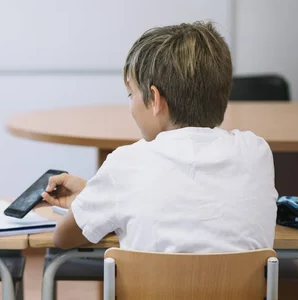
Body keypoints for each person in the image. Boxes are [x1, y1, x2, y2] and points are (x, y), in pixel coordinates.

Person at [42, 22, 278, 252]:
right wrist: (93, 195)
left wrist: (95, 200)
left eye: (130, 94)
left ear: (155, 99)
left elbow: (62, 238)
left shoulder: (126, 164)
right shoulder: (255, 153)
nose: (131, 107)